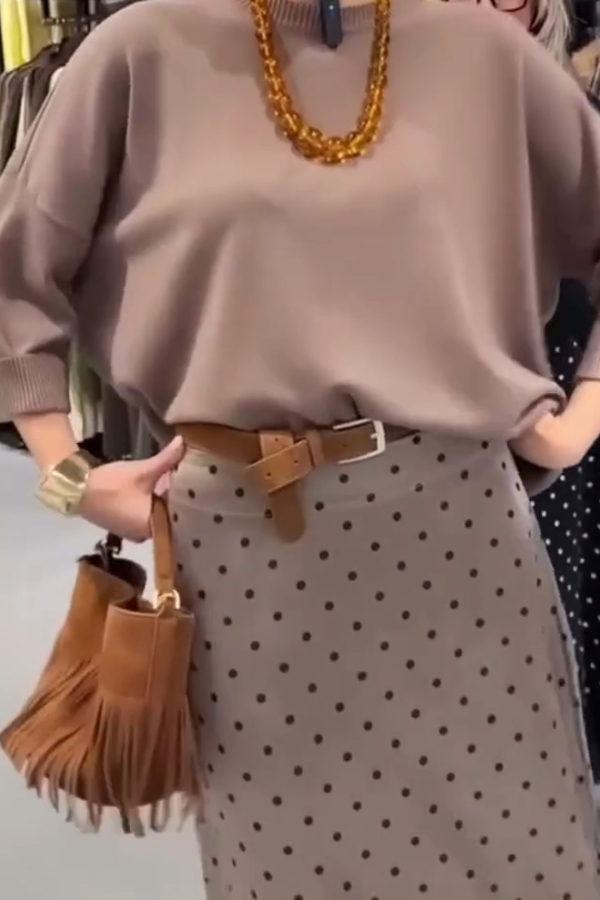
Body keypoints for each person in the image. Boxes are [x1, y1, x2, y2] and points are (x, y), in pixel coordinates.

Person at [1, 0, 600, 897]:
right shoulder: (136, 55)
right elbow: (15, 281)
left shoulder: (483, 56)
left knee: (520, 863)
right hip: (247, 570)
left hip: (462, 549)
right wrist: (69, 478)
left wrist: (580, 415)